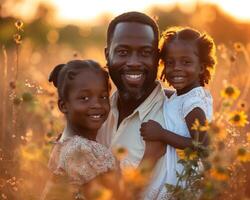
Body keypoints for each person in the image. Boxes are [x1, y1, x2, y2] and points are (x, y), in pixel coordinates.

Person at [96, 11, 167, 199]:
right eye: (123, 52)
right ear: (107, 54)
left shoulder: (174, 115)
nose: (134, 62)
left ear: (158, 59)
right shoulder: (95, 113)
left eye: (145, 53)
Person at [140, 27, 216, 199]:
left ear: (202, 67)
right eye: (170, 62)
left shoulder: (193, 103)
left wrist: (161, 134)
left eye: (186, 62)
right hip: (173, 172)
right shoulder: (182, 95)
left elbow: (201, 146)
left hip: (183, 178)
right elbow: (174, 101)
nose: (176, 68)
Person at [41, 60, 117, 200]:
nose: (96, 104)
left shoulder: (61, 142)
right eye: (84, 98)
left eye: (103, 97)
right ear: (63, 106)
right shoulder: (81, 150)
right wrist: (152, 153)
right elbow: (118, 193)